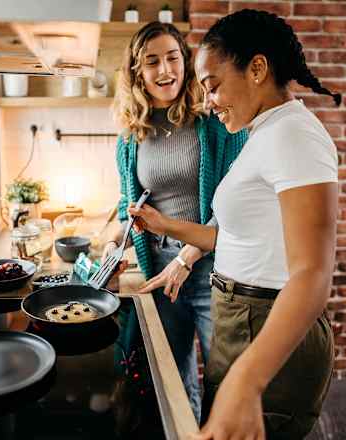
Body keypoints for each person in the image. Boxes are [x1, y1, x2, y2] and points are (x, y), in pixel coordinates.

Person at [128, 9, 340, 439]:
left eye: (213, 85)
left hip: (263, 321)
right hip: (240, 320)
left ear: (257, 68)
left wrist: (248, 378)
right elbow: (233, 237)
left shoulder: (294, 135)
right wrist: (162, 225)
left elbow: (313, 274)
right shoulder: (265, 132)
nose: (208, 101)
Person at [103, 21, 248, 421]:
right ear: (137, 71)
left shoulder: (215, 123)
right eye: (152, 62)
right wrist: (113, 246)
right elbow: (128, 206)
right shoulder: (130, 137)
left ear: (185, 63)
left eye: (172, 58)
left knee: (225, 379)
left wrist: (186, 258)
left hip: (213, 270)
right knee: (173, 380)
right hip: (158, 270)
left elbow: (232, 205)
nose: (165, 71)